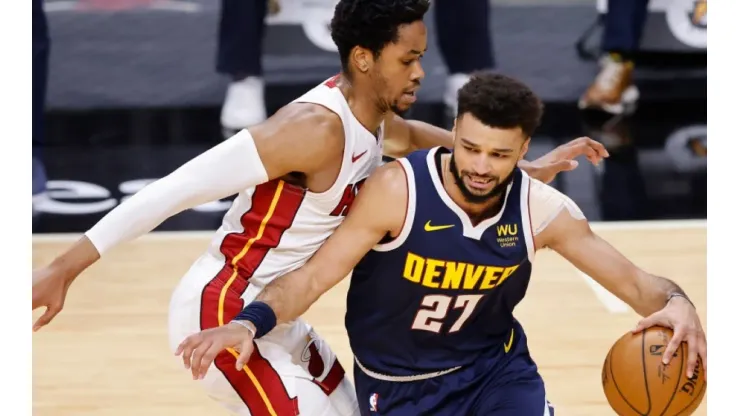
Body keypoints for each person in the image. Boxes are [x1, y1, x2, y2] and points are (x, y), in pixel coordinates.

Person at [31, 1, 609, 415]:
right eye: (408, 59)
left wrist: (523, 167)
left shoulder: (375, 119)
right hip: (223, 308)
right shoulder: (310, 129)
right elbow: (173, 190)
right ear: (364, 58)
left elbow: (412, 136)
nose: (419, 71)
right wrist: (64, 267)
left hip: (277, 314)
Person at [174, 72, 707, 415]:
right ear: (455, 130)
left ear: (522, 149)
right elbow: (311, 277)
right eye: (469, 148)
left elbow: (640, 286)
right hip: (400, 387)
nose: (478, 166)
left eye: (499, 155)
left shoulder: (541, 211)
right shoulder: (395, 192)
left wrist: (679, 306)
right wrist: (249, 322)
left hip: (497, 374)